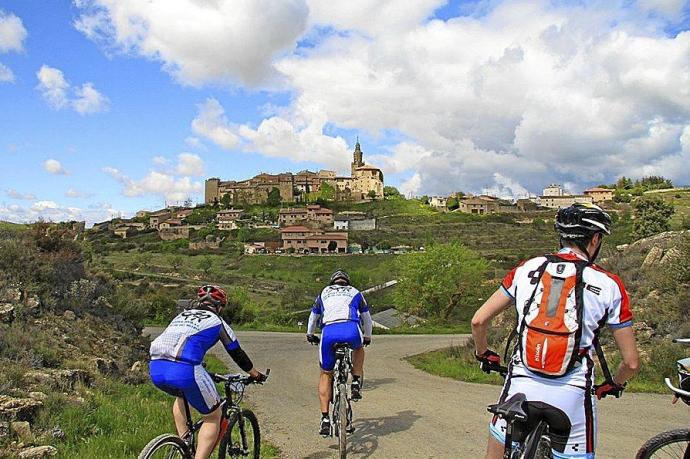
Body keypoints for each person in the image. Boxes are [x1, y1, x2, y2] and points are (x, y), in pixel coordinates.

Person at [472, 203, 640, 459]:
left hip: (521, 384)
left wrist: (484, 354)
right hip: (571, 393)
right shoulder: (609, 285)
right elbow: (631, 362)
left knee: (496, 448)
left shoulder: (527, 268)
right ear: (595, 239)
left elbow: (478, 321)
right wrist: (614, 383)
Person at [149, 285, 266, 459]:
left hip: (156, 367)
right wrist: (255, 373)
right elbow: (236, 352)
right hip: (186, 369)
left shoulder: (181, 315)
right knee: (213, 416)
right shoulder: (217, 322)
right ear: (220, 306)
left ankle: (184, 446)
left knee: (182, 396)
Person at [306, 270, 373, 436]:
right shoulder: (355, 292)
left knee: (325, 374)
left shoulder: (324, 293)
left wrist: (310, 334)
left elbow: (313, 317)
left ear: (332, 282)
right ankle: (356, 381)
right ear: (347, 282)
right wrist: (367, 337)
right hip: (351, 329)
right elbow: (367, 318)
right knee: (359, 348)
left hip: (329, 333)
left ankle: (325, 419)